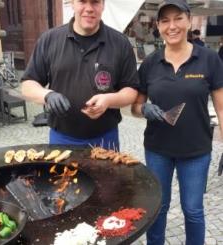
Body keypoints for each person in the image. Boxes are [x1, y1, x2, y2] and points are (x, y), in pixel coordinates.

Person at [131, 1, 223, 245]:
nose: (172, 26)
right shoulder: (150, 63)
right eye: (165, 21)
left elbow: (222, 107)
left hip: (196, 151)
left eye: (177, 18)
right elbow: (135, 107)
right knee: (158, 208)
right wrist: (144, 108)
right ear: (159, 26)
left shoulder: (209, 59)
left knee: (193, 211)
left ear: (189, 20)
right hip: (158, 150)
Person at [21, 0, 139, 150]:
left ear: (103, 5)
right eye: (82, 1)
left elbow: (131, 91)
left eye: (95, 2)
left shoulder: (120, 43)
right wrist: (47, 95)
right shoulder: (49, 40)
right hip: (62, 137)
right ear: (72, 4)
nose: (89, 9)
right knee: (59, 175)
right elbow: (27, 85)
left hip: (105, 138)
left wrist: (108, 100)